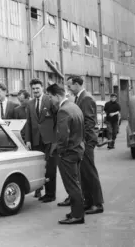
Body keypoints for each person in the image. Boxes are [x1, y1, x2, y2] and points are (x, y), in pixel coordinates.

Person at [65, 76, 104, 215]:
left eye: (69, 85)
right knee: (83, 174)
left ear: (76, 84)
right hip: (82, 142)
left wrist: (85, 142)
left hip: (85, 142)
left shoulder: (85, 98)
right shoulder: (79, 98)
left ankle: (97, 203)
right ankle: (88, 202)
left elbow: (89, 122)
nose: (68, 88)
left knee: (89, 173)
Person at [47, 83, 85, 225]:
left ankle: (77, 215)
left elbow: (62, 136)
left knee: (71, 185)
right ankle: (76, 211)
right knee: (76, 183)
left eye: (50, 97)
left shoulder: (63, 110)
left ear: (57, 96)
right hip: (78, 149)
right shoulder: (74, 106)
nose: (50, 100)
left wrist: (61, 153)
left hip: (68, 153)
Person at [24, 78, 58, 202]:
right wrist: (28, 140)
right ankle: (40, 192)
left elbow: (56, 120)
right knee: (39, 168)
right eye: (33, 89)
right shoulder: (30, 103)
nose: (35, 90)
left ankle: (50, 194)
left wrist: (55, 139)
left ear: (42, 88)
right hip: (36, 140)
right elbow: (28, 123)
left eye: (37, 88)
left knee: (50, 168)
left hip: (49, 140)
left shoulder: (50, 101)